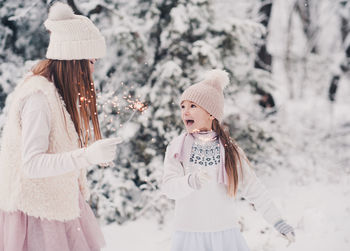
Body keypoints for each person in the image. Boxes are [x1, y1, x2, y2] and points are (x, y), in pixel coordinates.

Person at [0, 2, 121, 251]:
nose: (93, 68)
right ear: (73, 60)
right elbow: (32, 165)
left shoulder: (55, 95)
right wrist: (86, 156)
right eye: (91, 60)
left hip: (58, 205)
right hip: (37, 216)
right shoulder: (38, 99)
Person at [161, 69, 295, 251]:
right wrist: (190, 181)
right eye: (182, 106)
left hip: (224, 237)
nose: (185, 112)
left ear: (211, 113)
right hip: (188, 236)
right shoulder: (177, 147)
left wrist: (279, 222)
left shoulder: (229, 150)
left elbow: (254, 189)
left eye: (193, 106)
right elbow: (169, 188)